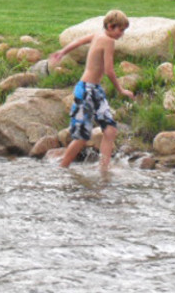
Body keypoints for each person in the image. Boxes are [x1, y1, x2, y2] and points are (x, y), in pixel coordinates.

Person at [48, 10, 135, 172]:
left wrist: (63, 51)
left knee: (110, 130)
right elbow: (109, 70)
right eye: (120, 30)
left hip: (95, 90)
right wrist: (121, 89)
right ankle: (61, 169)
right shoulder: (108, 41)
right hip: (86, 90)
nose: (122, 34)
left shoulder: (98, 35)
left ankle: (104, 169)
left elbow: (79, 41)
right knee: (82, 137)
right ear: (110, 26)